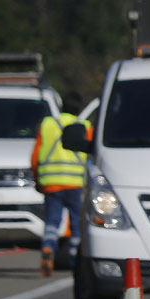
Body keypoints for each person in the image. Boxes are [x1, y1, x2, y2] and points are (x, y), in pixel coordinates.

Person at [31, 97, 89, 276]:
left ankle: (48, 247)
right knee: (77, 223)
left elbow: (35, 155)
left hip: (51, 182)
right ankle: (74, 259)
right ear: (79, 110)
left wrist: (37, 178)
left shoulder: (47, 123)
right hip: (76, 183)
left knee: (52, 220)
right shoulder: (84, 125)